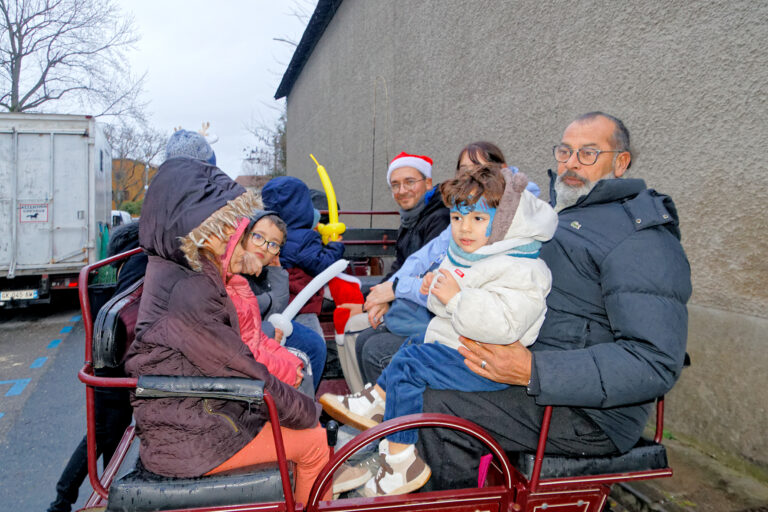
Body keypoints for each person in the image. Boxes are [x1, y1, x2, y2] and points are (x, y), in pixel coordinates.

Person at [416, 112, 692, 490]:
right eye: (565, 151)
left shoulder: (641, 238)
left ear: (621, 163)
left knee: (436, 404)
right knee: (399, 354)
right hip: (528, 362)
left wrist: (534, 370)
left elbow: (654, 360)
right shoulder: (556, 217)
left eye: (588, 153)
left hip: (590, 412)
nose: (571, 163)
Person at [321, 165, 557, 496]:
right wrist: (436, 291)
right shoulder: (481, 255)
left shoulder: (523, 268)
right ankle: (377, 402)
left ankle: (401, 460)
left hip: (488, 363)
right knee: (414, 344)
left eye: (477, 218)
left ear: (504, 222)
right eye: (458, 218)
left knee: (410, 365)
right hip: (465, 346)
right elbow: (450, 309)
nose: (464, 228)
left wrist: (457, 299)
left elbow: (505, 327)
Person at [124, 157, 330, 504]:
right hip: (192, 438)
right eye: (219, 225)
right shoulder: (189, 287)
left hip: (190, 414)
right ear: (189, 224)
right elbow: (240, 367)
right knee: (313, 442)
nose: (228, 235)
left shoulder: (178, 267)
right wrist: (309, 413)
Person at [356, 143, 539, 384]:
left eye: (481, 168)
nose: (472, 175)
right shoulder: (459, 214)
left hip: (472, 334)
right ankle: (375, 408)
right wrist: (386, 292)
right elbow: (419, 259)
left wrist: (394, 290)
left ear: (501, 171)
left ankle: (392, 414)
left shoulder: (500, 220)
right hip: (444, 316)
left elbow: (456, 284)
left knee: (375, 347)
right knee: (366, 337)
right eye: (464, 170)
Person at [46, 223, 146, 512]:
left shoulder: (127, 261)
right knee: (104, 430)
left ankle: (103, 493)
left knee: (109, 431)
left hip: (111, 357)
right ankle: (62, 500)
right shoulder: (141, 260)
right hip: (113, 359)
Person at [241, 210, 328, 389]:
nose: (264, 247)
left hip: (265, 327)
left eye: (273, 244)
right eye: (258, 237)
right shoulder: (234, 270)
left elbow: (277, 310)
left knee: (314, 342)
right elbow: (240, 318)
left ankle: (306, 407)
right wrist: (268, 330)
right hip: (248, 336)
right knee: (305, 352)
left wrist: (276, 272)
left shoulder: (265, 270)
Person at [261, 176, 345, 332]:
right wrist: (335, 246)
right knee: (315, 343)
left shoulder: (267, 235)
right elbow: (322, 265)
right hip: (302, 305)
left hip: (276, 302)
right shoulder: (304, 238)